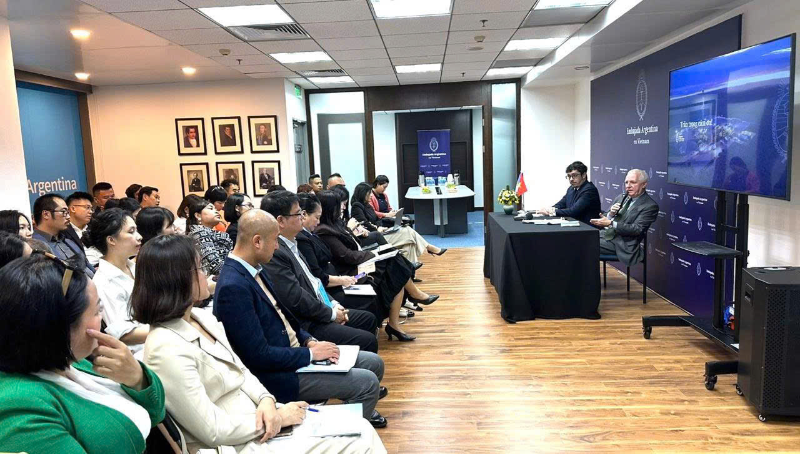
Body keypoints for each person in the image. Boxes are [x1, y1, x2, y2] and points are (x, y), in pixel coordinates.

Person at [133, 234, 385, 453]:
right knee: (360, 438)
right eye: (199, 269)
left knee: (358, 427)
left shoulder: (201, 318)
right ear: (176, 280)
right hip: (240, 442)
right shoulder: (165, 348)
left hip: (262, 417)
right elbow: (211, 430)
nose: (206, 275)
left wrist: (267, 400)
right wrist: (276, 418)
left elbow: (242, 371)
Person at [214, 210, 388, 427]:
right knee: (367, 383)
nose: (277, 247)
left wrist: (309, 340)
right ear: (257, 242)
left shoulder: (255, 269)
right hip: (280, 373)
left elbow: (285, 318)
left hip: (296, 353)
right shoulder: (233, 287)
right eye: (275, 240)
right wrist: (310, 354)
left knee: (374, 363)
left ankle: (345, 418)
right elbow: (258, 356)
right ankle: (342, 433)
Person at [0, 253, 166, 453]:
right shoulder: (20, 410)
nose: (102, 318)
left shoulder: (73, 360)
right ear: (59, 328)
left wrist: (138, 379)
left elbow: (157, 413)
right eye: (97, 311)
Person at [260, 191, 379, 353]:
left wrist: (333, 304)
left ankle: (357, 362)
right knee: (367, 340)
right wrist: (331, 314)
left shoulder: (292, 243)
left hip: (321, 306)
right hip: (308, 323)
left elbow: (314, 282)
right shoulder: (276, 252)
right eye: (298, 214)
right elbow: (295, 298)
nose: (302, 217)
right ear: (280, 220)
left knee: (368, 319)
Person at [316, 190, 439, 342]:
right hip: (351, 271)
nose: (343, 207)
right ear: (330, 208)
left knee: (395, 267)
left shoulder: (336, 224)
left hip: (359, 262)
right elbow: (347, 256)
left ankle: (396, 321)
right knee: (394, 264)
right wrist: (373, 254)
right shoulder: (324, 231)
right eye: (340, 205)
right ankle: (413, 296)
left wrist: (354, 231)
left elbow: (354, 244)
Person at [296, 193, 381, 319]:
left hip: (334, 279)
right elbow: (317, 275)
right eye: (316, 217)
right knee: (369, 299)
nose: (318, 221)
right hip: (329, 287)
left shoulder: (311, 234)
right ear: (304, 215)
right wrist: (341, 280)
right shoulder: (304, 238)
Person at [86, 209, 147, 356]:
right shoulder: (104, 282)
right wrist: (164, 331)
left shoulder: (134, 266)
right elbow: (124, 334)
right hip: (138, 353)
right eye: (131, 232)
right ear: (111, 240)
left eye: (136, 230)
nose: (139, 237)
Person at [352, 182, 446, 263]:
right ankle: (429, 247)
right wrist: (377, 228)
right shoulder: (357, 206)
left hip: (381, 231)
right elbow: (364, 224)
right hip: (375, 237)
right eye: (369, 193)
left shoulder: (367, 205)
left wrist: (392, 222)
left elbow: (378, 219)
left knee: (408, 244)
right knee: (407, 232)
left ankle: (410, 271)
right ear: (363, 194)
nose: (371, 195)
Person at [590, 169, 659, 266]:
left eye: (633, 182)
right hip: (606, 235)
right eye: (626, 182)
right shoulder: (621, 197)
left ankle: (587, 276)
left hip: (623, 244)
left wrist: (611, 223)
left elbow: (637, 229)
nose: (628, 186)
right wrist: (611, 214)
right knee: (577, 238)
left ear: (644, 184)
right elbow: (605, 218)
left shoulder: (650, 205)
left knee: (585, 244)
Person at [31, 193, 95, 277]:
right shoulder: (34, 247)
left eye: (68, 212)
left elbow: (88, 266)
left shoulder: (69, 241)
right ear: (46, 214)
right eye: (63, 212)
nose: (68, 217)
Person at [537, 161, 601, 227]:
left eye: (574, 175)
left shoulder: (589, 190)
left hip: (588, 228)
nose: (571, 179)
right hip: (575, 226)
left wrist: (552, 212)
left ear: (584, 175)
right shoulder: (571, 188)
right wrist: (549, 209)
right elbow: (562, 203)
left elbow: (573, 211)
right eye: (569, 176)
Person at [187, 198, 233, 277]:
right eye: (211, 209)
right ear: (198, 215)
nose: (216, 211)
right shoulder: (198, 233)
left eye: (215, 209)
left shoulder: (215, 233)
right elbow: (215, 266)